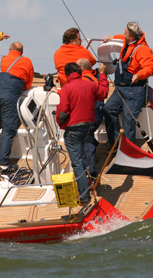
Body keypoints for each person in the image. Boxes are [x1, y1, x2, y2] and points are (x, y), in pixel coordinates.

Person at [56, 62, 108, 205]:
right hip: (88, 127)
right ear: (79, 72)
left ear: (67, 74)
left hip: (73, 129)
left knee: (77, 163)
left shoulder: (67, 88)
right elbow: (103, 92)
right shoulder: (90, 85)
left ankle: (84, 197)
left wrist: (61, 124)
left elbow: (63, 112)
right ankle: (91, 183)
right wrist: (103, 75)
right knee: (85, 157)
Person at [0, 42, 34, 174]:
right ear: (21, 52)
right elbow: (28, 83)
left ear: (9, 50)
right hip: (9, 97)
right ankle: (4, 165)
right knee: (8, 130)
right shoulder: (26, 61)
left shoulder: (0, 60)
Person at [103, 21, 153, 145]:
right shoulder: (128, 41)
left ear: (131, 36)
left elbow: (150, 68)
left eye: (125, 33)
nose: (123, 34)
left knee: (128, 119)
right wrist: (112, 37)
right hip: (120, 89)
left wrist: (139, 75)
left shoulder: (142, 50)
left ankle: (128, 149)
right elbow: (121, 37)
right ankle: (115, 142)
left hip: (134, 90)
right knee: (108, 109)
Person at [77, 58, 109, 180]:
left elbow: (74, 93)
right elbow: (104, 92)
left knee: (86, 142)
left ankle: (91, 176)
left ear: (82, 68)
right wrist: (102, 74)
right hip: (98, 114)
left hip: (88, 116)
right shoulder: (94, 78)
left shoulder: (83, 81)